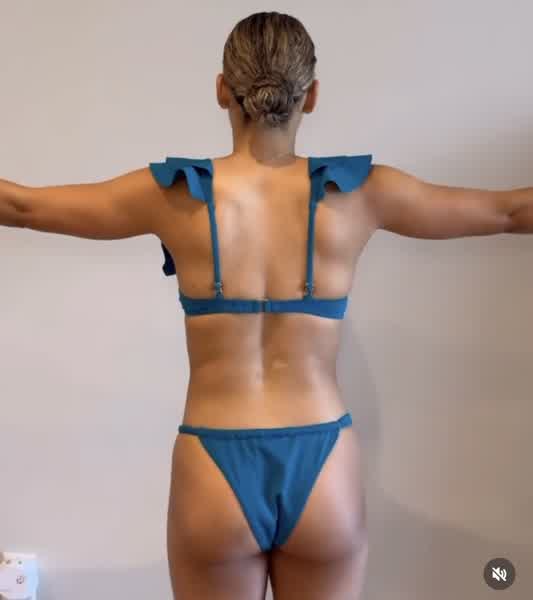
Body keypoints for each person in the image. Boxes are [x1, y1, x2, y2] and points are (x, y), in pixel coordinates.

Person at [1, 9, 531, 600]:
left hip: (213, 465)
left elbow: (22, 207)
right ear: (311, 95)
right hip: (323, 464)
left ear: (222, 89)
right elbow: (511, 212)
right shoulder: (365, 193)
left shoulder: (170, 195)